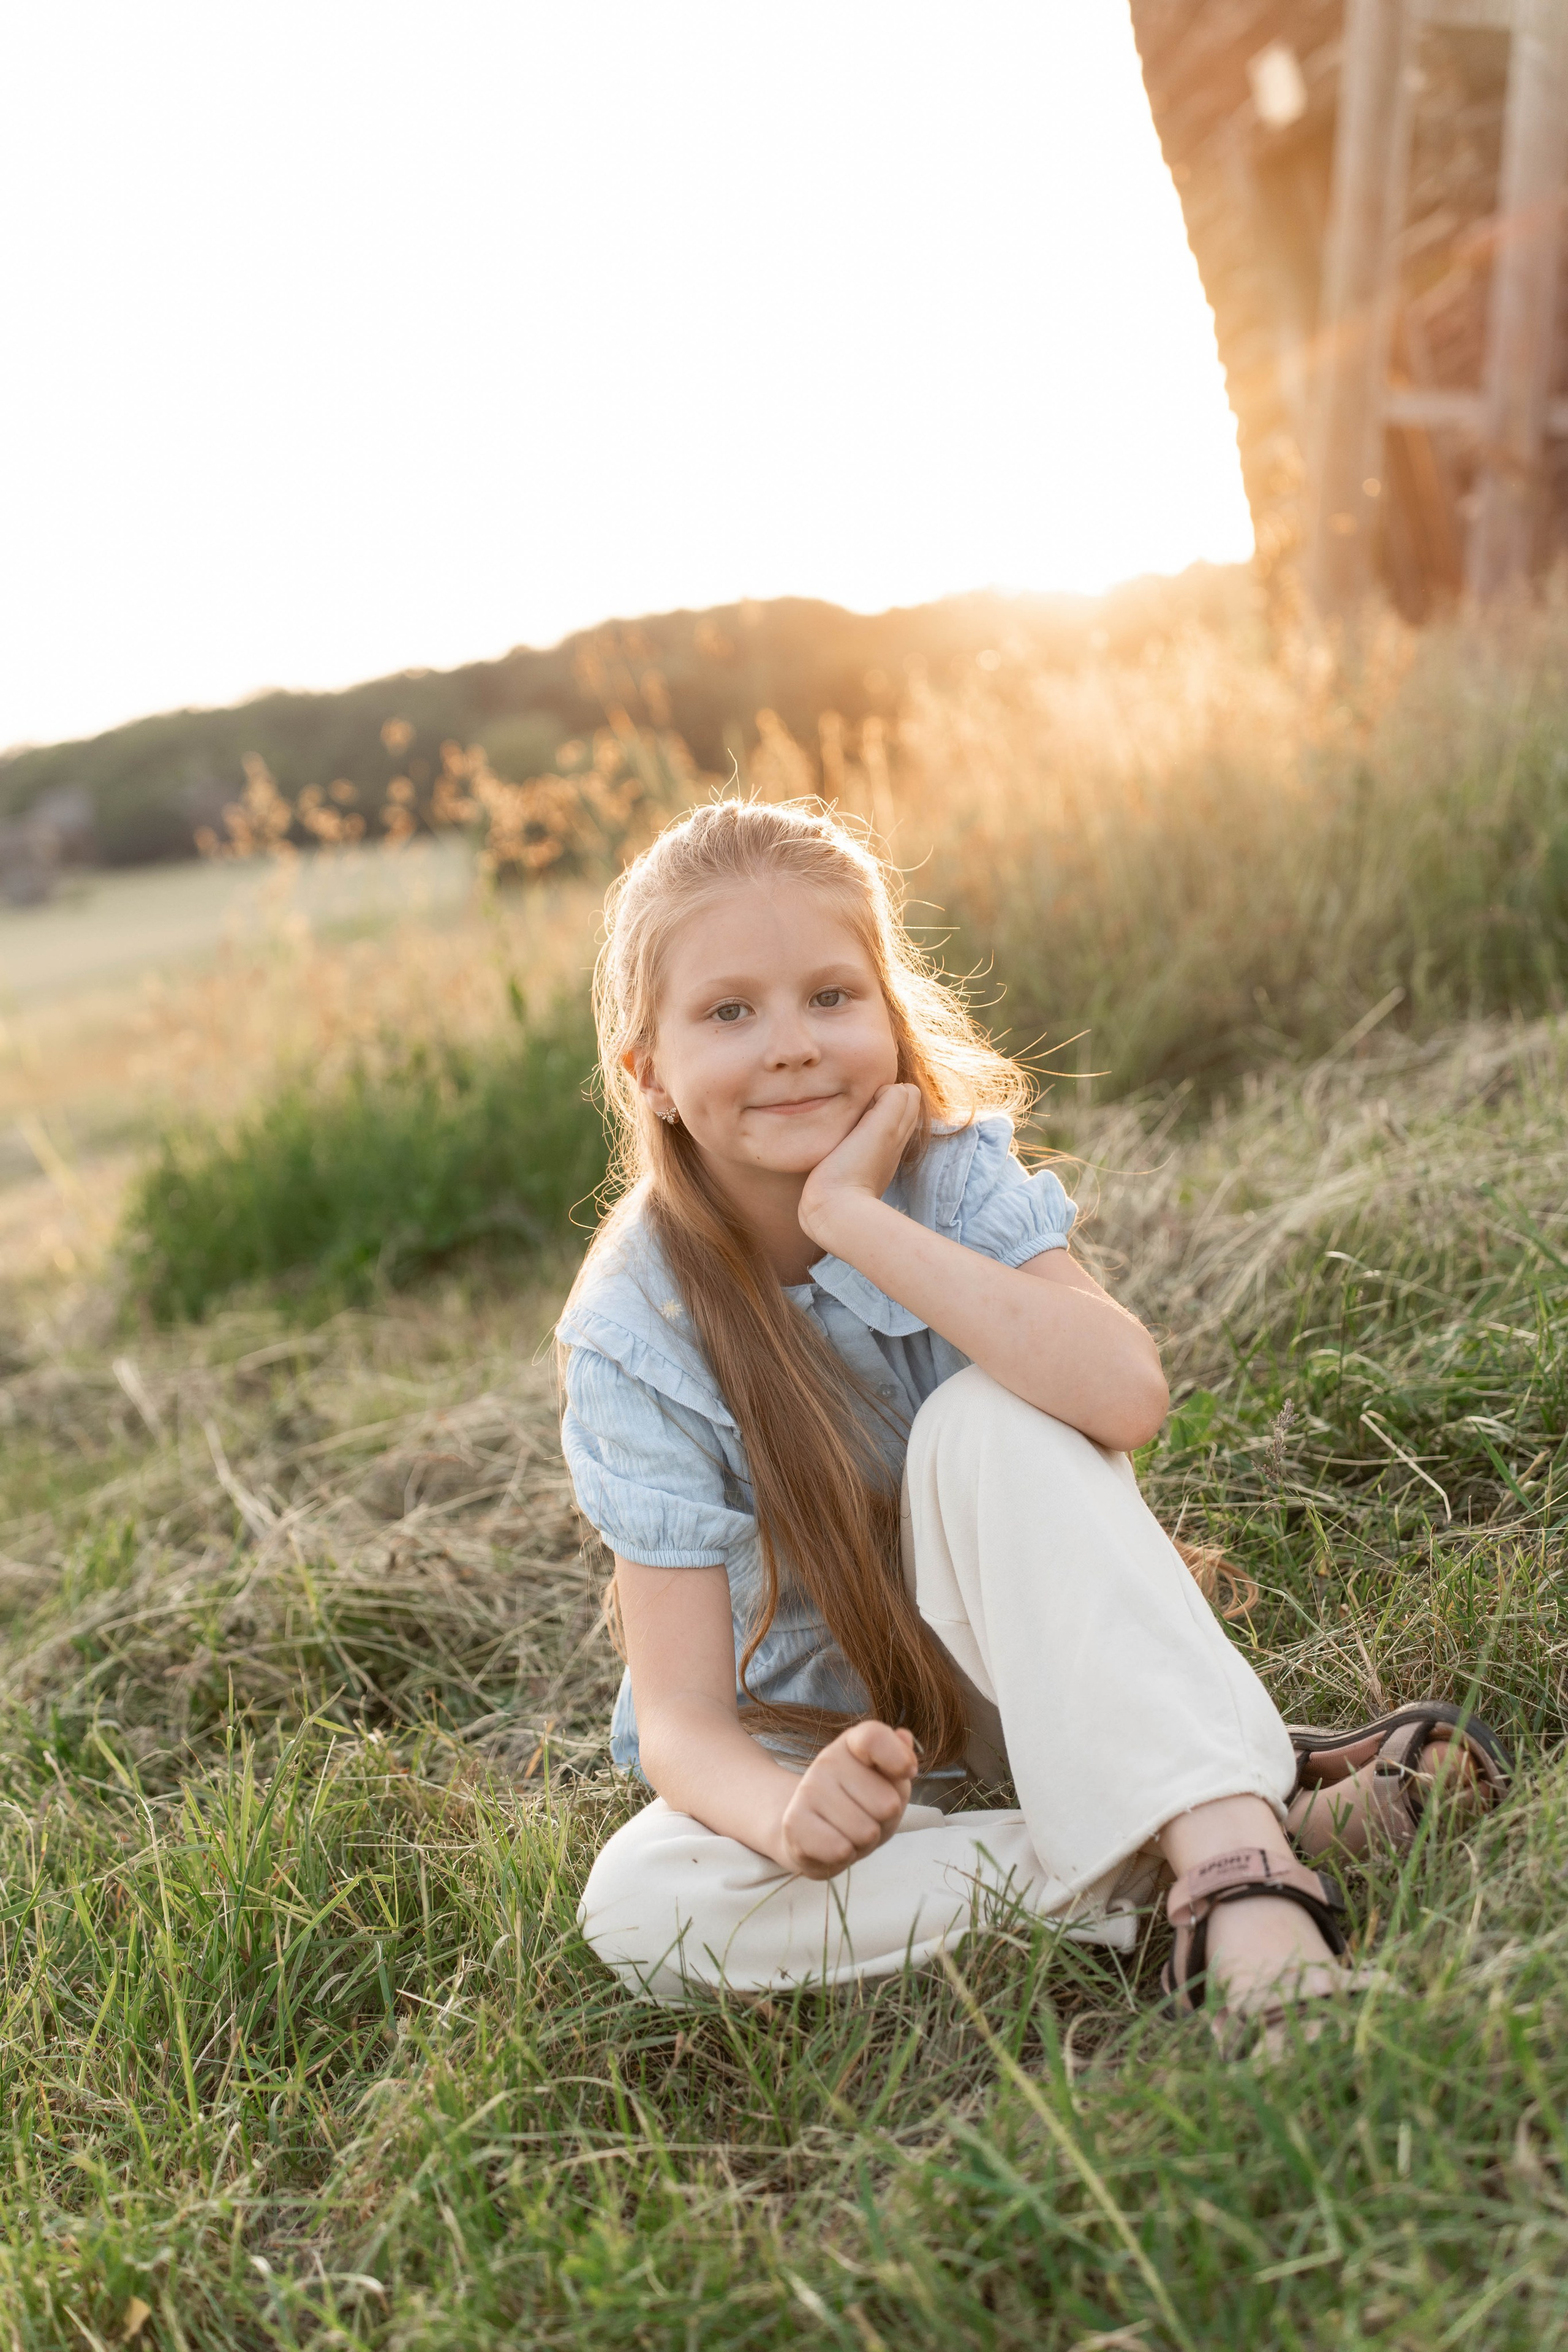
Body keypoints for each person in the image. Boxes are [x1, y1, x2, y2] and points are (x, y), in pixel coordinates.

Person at [557, 799, 1508, 2037]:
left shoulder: (945, 1177)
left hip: (1040, 1682)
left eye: (830, 996)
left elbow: (1122, 1395)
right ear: (651, 1074)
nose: (789, 1044)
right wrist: (785, 1817)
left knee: (982, 1423)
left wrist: (859, 1225)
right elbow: (681, 1718)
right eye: (729, 1011)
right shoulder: (636, 1325)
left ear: (888, 1016)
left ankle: (1240, 1879)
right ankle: (1185, 1825)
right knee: (641, 1904)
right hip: (833, 1758)